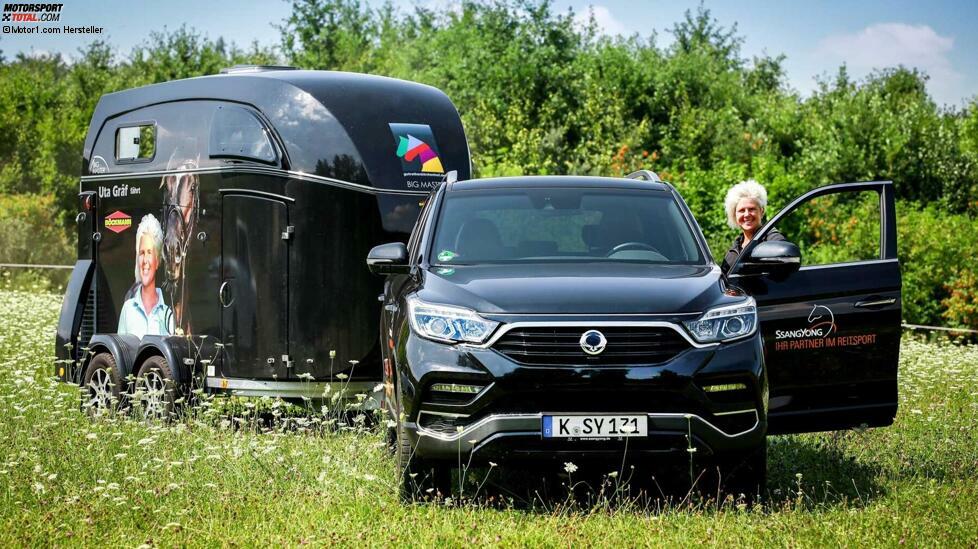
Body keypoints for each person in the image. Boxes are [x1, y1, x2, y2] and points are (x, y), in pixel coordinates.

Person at [118, 214, 173, 337]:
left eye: (149, 252)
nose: (145, 261)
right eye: (142, 253)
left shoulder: (168, 312)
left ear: (158, 261)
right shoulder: (127, 309)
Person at [720, 179, 785, 275]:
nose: (746, 214)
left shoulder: (773, 239)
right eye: (742, 210)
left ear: (762, 212)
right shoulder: (733, 252)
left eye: (751, 209)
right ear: (735, 215)